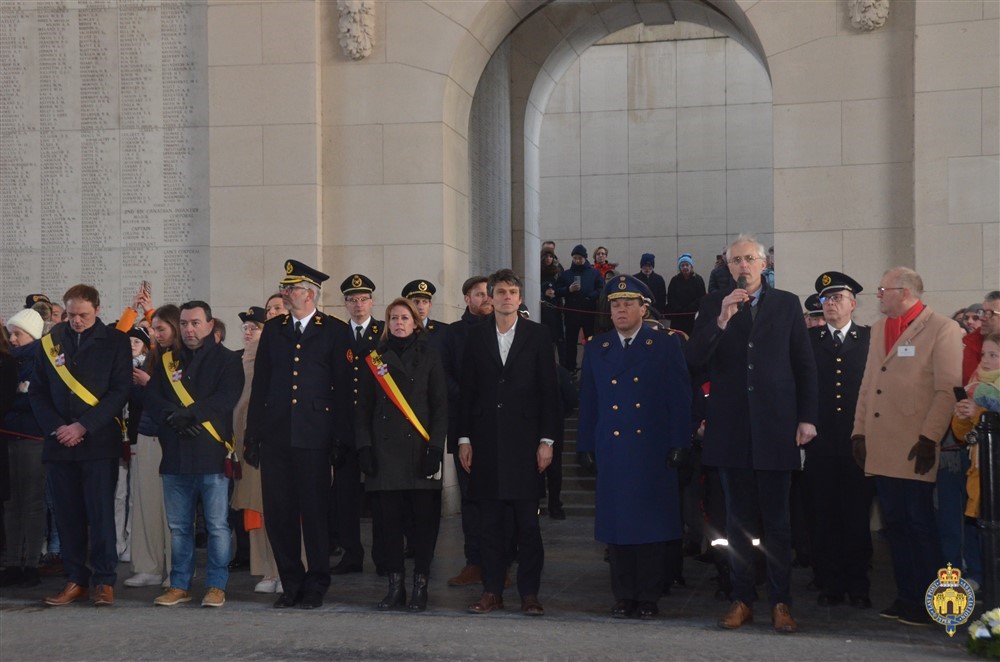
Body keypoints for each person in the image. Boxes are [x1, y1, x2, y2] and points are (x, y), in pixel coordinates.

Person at [686, 234, 818, 634]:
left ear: (764, 264)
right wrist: (722, 320)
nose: (743, 266)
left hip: (776, 429)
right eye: (735, 261)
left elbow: (804, 365)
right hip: (731, 431)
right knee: (737, 525)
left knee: (777, 525)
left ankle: (781, 602)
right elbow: (694, 360)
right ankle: (742, 599)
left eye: (749, 259)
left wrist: (807, 418)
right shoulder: (713, 305)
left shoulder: (786, 304)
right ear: (728, 268)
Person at [851, 266, 962, 626]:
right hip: (883, 445)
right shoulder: (881, 328)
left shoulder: (943, 328)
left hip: (916, 446)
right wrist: (859, 432)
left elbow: (947, 389)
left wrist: (930, 437)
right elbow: (869, 383)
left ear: (905, 292)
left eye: (884, 289)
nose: (879, 295)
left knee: (920, 523)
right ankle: (906, 595)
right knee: (895, 523)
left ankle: (933, 602)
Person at [577, 275, 692, 619]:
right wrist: (584, 445)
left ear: (644, 308)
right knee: (617, 528)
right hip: (613, 450)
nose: (621, 309)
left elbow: (680, 398)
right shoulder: (599, 347)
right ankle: (623, 594)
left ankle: (648, 597)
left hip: (652, 450)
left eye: (628, 303)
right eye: (615, 304)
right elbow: (589, 402)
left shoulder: (665, 344)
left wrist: (680, 442)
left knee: (651, 528)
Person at [245, 260, 353, 609]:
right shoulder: (275, 329)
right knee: (280, 513)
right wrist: (252, 435)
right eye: (285, 288)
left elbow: (342, 390)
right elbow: (261, 384)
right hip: (276, 435)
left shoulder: (334, 330)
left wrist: (339, 439)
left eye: (291, 289)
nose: (286, 293)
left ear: (309, 294)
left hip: (314, 437)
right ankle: (291, 582)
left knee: (315, 513)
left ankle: (317, 582)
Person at [458, 269, 560, 616]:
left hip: (526, 447)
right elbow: (466, 393)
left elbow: (550, 393)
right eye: (499, 292)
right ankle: (491, 590)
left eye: (512, 292)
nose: (505, 297)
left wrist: (547, 441)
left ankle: (529, 593)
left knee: (527, 527)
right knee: (490, 527)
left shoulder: (538, 335)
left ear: (519, 298)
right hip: (486, 446)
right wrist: (463, 438)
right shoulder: (475, 337)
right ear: (489, 296)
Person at [30, 284, 132, 607]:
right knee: (67, 515)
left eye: (83, 315)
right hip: (60, 443)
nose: (76, 321)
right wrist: (58, 427)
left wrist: (82, 425)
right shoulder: (49, 342)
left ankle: (103, 580)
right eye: (71, 314)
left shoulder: (115, 342)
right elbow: (37, 392)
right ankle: (75, 579)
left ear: (98, 310)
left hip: (98, 442)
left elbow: (119, 391)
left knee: (101, 514)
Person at [145, 301, 243, 608]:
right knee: (179, 527)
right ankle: (179, 584)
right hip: (175, 453)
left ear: (210, 325)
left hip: (211, 452)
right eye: (185, 323)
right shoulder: (166, 360)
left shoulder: (228, 360)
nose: (189, 329)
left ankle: (216, 585)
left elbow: (226, 398)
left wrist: (189, 416)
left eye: (196, 323)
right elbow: (152, 398)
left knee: (216, 525)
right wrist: (173, 418)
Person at [356, 297, 448, 611]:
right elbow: (364, 409)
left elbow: (440, 407)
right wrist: (364, 447)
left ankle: (420, 586)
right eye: (393, 318)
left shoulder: (431, 357)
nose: (398, 323)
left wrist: (436, 447)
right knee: (388, 527)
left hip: (421, 451)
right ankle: (395, 588)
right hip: (385, 455)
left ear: (415, 322)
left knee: (424, 525)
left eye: (404, 318)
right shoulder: (374, 359)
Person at [803, 272, 874, 608]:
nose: (830, 304)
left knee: (857, 517)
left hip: (858, 445)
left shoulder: (870, 340)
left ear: (852, 304)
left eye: (837, 298)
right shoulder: (810, 341)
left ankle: (858, 584)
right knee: (825, 516)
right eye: (825, 299)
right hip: (821, 445)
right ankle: (830, 583)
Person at [123, 305, 179, 588]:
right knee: (145, 503)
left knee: (173, 508)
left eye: (160, 329)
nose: (155, 335)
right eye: (153, 330)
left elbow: (180, 398)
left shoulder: (185, 356)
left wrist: (149, 384)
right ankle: (148, 566)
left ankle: (177, 569)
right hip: (146, 434)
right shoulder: (151, 358)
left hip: (175, 437)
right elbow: (137, 398)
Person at [442, 276, 493, 587]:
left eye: (489, 293)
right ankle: (474, 561)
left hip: (499, 428)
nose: (486, 298)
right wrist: (469, 397)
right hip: (465, 426)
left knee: (499, 500)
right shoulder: (453, 334)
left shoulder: (504, 328)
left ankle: (499, 562)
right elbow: (444, 374)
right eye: (479, 294)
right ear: (466, 299)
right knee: (471, 499)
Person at [230, 306, 281, 593]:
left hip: (270, 441)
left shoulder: (273, 356)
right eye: (246, 327)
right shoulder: (237, 360)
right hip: (244, 444)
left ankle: (282, 567)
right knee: (254, 510)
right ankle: (265, 569)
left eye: (255, 327)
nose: (249, 332)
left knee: (279, 508)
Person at [332, 273, 379, 576]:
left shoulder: (385, 332)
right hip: (345, 429)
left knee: (380, 495)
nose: (358, 305)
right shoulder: (335, 335)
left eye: (363, 299)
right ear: (345, 303)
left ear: (372, 301)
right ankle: (351, 554)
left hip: (377, 429)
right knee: (345, 496)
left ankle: (386, 555)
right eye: (352, 299)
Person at [1, 309, 46, 588]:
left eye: (18, 333)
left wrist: (19, 393)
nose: (13, 338)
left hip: (33, 438)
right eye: (10, 333)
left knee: (32, 503)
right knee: (10, 503)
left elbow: (35, 398)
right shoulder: (9, 363)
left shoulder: (42, 361)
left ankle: (30, 562)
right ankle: (13, 561)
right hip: (9, 436)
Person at [555, 245, 602, 372]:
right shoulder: (566, 274)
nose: (577, 261)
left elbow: (600, 289)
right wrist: (568, 290)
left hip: (588, 312)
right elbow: (557, 291)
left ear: (585, 258)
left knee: (591, 341)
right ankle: (570, 368)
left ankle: (592, 366)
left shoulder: (594, 273)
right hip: (572, 313)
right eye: (575, 258)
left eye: (580, 258)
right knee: (570, 342)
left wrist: (590, 297)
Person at [665, 253, 706, 337]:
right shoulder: (674, 280)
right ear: (680, 268)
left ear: (691, 266)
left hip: (693, 316)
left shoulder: (698, 280)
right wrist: (678, 308)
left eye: (687, 265)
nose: (685, 267)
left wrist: (690, 308)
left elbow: (701, 297)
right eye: (682, 265)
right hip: (678, 317)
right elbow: (670, 297)